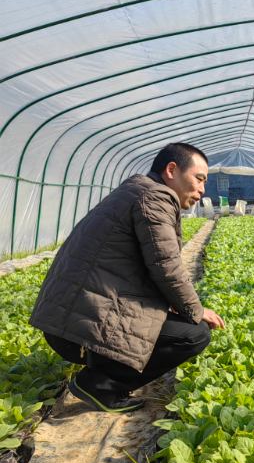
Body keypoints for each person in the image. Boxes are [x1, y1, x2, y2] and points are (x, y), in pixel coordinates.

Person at [29, 143, 226, 413]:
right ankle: (100, 384)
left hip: (66, 320)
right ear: (171, 170)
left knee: (175, 320)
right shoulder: (156, 197)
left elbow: (147, 266)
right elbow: (166, 267)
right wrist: (196, 309)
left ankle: (103, 370)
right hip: (77, 330)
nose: (203, 189)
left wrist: (172, 304)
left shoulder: (137, 190)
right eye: (199, 179)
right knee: (194, 334)